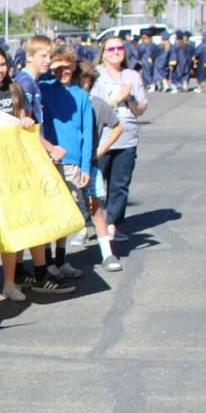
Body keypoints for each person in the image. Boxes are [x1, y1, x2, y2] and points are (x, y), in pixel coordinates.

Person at [13, 36, 77, 296]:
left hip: (34, 157)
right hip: (29, 159)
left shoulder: (34, 83)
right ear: (30, 56)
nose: (49, 61)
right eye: (44, 57)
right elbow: (24, 125)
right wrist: (51, 148)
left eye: (50, 57)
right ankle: (37, 272)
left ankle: (25, 270)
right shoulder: (25, 83)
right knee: (33, 217)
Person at [39, 46, 92, 279]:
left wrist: (86, 165)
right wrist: (50, 69)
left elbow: (88, 133)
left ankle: (61, 259)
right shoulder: (45, 89)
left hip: (72, 161)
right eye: (59, 66)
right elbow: (29, 81)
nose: (64, 71)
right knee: (50, 211)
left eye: (68, 66)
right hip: (49, 159)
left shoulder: (81, 95)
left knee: (67, 212)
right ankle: (47, 260)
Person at [92, 35, 147, 241]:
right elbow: (94, 106)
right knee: (95, 184)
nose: (116, 52)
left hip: (127, 137)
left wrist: (130, 97)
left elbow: (141, 109)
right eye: (111, 49)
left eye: (120, 48)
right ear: (103, 53)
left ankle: (113, 224)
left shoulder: (132, 76)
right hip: (102, 137)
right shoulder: (96, 76)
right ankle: (89, 225)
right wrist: (117, 98)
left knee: (120, 185)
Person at [74, 60, 123, 271]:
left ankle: (107, 253)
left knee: (96, 209)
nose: (81, 85)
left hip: (90, 164)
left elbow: (118, 126)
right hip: (67, 164)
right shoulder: (66, 103)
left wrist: (100, 150)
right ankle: (55, 259)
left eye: (84, 81)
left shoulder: (98, 104)